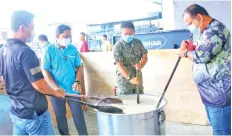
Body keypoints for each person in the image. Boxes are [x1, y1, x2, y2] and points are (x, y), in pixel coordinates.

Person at [0, 10, 65, 135]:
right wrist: (56, 92)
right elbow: (39, 85)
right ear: (22, 28)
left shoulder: (3, 49)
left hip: (16, 112)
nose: (33, 32)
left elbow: (4, 77)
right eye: (31, 28)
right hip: (34, 115)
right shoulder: (25, 52)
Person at [179, 4, 231, 135]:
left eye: (190, 23)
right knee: (216, 128)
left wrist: (184, 53)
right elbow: (199, 47)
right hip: (209, 93)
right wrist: (189, 46)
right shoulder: (204, 30)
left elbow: (200, 57)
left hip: (219, 93)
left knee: (221, 132)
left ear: (199, 17)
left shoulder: (216, 31)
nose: (190, 27)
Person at [41, 24, 88, 135]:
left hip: (73, 89)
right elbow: (45, 70)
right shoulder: (49, 50)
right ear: (57, 35)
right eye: (65, 36)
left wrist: (77, 81)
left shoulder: (73, 49)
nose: (68, 38)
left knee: (78, 115)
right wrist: (56, 88)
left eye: (69, 36)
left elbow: (78, 66)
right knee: (60, 116)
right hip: (56, 91)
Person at [113, 21, 148, 95]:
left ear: (134, 32)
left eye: (130, 34)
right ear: (121, 33)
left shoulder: (138, 43)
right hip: (124, 81)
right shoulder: (118, 46)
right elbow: (119, 66)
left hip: (137, 77)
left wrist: (140, 66)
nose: (128, 36)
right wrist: (130, 78)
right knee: (125, 103)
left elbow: (145, 57)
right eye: (125, 34)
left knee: (140, 99)